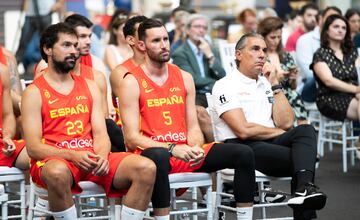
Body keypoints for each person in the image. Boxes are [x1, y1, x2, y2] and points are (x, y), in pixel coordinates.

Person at [119, 18, 256, 220]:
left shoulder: (184, 77)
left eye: (165, 39)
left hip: (184, 151)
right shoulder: (131, 81)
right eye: (156, 40)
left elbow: (193, 126)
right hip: (152, 154)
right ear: (141, 45)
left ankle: (245, 218)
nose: (164, 45)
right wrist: (173, 148)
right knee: (158, 156)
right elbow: (131, 138)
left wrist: (195, 147)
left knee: (243, 153)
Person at [21, 22, 155, 220]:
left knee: (147, 168)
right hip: (55, 162)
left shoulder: (90, 86)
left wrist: (101, 156)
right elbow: (33, 148)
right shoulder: (33, 92)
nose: (74, 51)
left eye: (76, 46)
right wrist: (73, 155)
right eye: (66, 45)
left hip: (91, 159)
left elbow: (101, 134)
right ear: (47, 49)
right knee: (57, 172)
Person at [212, 32, 327, 220]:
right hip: (241, 146)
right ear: (238, 54)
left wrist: (274, 83)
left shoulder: (266, 83)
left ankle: (303, 189)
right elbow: (243, 129)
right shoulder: (225, 85)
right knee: (303, 160)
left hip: (270, 141)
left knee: (305, 129)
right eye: (255, 49)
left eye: (264, 50)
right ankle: (305, 193)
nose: (262, 54)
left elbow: (287, 122)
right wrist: (278, 132)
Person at [257, 16, 308, 125]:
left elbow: (293, 86)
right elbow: (256, 82)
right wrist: (274, 80)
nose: (276, 41)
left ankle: (303, 134)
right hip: (269, 96)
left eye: (279, 37)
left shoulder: (285, 55)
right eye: (272, 37)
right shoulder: (259, 57)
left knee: (295, 96)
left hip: (290, 94)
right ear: (263, 37)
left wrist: (293, 78)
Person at [311, 14, 360, 122]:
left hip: (354, 94)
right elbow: (329, 81)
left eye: (344, 28)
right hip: (330, 97)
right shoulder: (320, 54)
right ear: (327, 30)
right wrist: (356, 89)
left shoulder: (351, 52)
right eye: (336, 27)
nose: (340, 30)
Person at [295, 6, 342, 102]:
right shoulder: (305, 40)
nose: (333, 22)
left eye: (337, 20)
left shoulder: (341, 41)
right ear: (321, 19)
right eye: (330, 18)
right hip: (311, 87)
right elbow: (310, 73)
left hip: (336, 86)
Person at [110, 15, 148, 127]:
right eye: (143, 33)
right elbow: (135, 112)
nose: (149, 37)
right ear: (131, 40)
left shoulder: (165, 67)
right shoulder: (120, 73)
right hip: (137, 133)